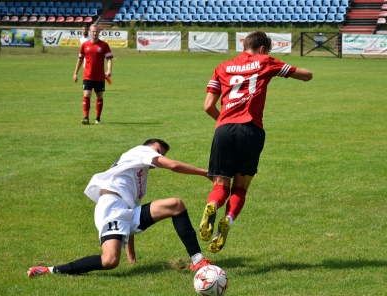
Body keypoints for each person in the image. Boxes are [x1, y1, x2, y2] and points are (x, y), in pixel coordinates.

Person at [28, 139, 213, 277]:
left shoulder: (139, 176)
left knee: (176, 205)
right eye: (158, 151)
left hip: (125, 211)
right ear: (148, 147)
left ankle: (197, 260)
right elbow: (172, 165)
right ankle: (50, 270)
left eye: (162, 154)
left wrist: (132, 258)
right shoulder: (140, 151)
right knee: (110, 261)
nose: (160, 156)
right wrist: (205, 173)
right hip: (111, 208)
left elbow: (130, 214)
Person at [199, 30, 313, 253]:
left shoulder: (222, 67)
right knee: (240, 187)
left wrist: (223, 120)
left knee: (220, 184)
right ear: (262, 49)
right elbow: (306, 74)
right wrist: (281, 69)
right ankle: (228, 219)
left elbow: (207, 106)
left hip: (224, 129)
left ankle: (212, 205)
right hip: (251, 129)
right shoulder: (265, 61)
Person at [73, 24, 112, 125]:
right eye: (93, 31)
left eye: (96, 31)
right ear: (90, 32)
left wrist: (109, 70)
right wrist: (75, 73)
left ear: (99, 32)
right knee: (87, 94)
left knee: (99, 95)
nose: (95, 33)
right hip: (87, 75)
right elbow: (80, 59)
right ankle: (86, 117)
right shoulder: (85, 45)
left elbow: (109, 59)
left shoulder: (104, 45)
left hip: (99, 76)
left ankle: (98, 118)